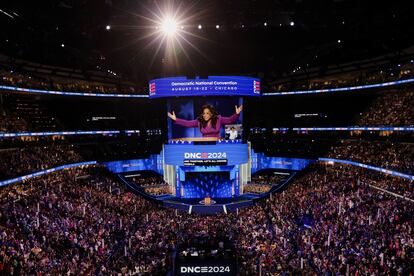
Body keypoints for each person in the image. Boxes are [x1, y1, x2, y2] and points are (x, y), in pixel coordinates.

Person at [168, 104, 242, 138]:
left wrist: (237, 114)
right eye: (204, 113)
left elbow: (229, 120)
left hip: (217, 144)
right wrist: (176, 119)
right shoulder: (199, 121)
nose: (205, 115)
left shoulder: (218, 119)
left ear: (211, 114)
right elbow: (187, 123)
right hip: (204, 145)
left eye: (207, 113)